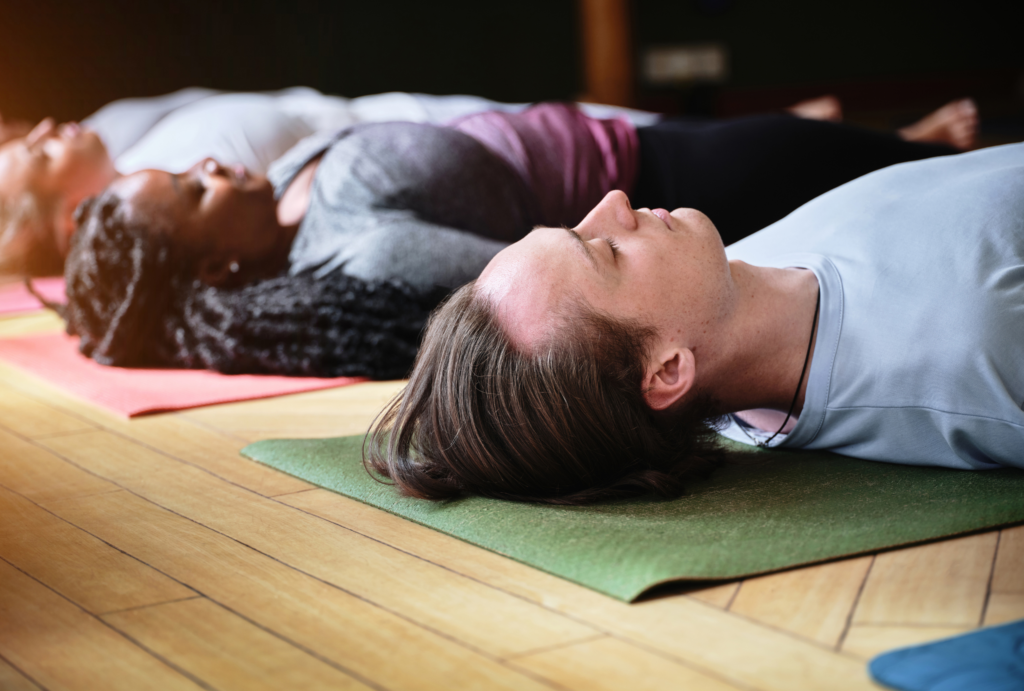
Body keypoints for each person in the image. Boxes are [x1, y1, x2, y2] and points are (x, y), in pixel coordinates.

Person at [62, 101, 972, 381]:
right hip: (648, 184)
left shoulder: (285, 186)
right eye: (195, 191)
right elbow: (550, 283)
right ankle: (919, 142)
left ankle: (903, 136)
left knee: (842, 150)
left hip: (605, 132)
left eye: (188, 167)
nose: (212, 165)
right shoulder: (361, 253)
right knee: (882, 170)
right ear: (215, 263)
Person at [365, 142, 1024, 505]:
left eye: (576, 226)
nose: (613, 202)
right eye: (606, 250)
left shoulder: (723, 275)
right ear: (667, 369)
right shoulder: (984, 360)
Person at [2, 87, 633, 276]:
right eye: (40, 155)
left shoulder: (263, 199)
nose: (207, 164)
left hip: (556, 138)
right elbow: (539, 272)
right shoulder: (353, 242)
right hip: (602, 168)